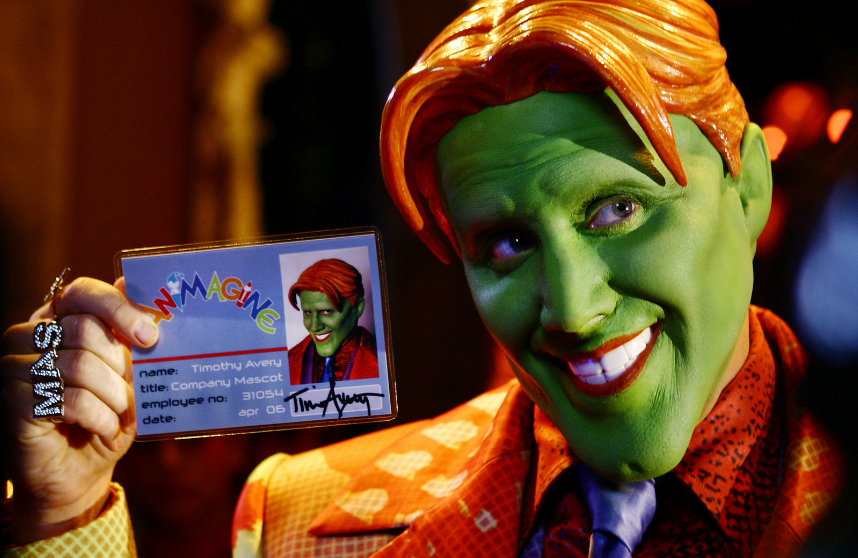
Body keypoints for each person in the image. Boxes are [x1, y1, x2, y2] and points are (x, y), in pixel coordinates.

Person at [0, 0, 842, 556]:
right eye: (506, 243)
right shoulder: (299, 519)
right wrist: (64, 514)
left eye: (618, 210)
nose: (573, 309)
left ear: (749, 187)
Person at [286, 259, 378, 385]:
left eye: (327, 311)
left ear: (357, 308)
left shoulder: (382, 363)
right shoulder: (288, 362)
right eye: (308, 312)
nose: (314, 326)